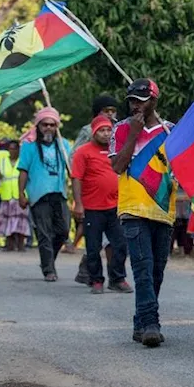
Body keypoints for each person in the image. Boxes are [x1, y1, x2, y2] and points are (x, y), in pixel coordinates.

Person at [110, 78, 177, 348]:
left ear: (154, 101)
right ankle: (151, 323)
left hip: (163, 210)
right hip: (133, 209)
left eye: (141, 100)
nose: (135, 105)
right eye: (132, 100)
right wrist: (134, 134)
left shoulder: (171, 131)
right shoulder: (121, 129)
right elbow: (117, 166)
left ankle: (140, 322)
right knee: (143, 269)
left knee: (157, 270)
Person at [71, 115, 130, 293]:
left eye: (108, 130)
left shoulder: (117, 150)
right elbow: (76, 178)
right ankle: (96, 280)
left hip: (115, 206)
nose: (105, 134)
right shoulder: (83, 152)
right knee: (93, 247)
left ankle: (117, 279)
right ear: (94, 133)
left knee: (120, 244)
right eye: (101, 130)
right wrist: (78, 204)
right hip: (92, 208)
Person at [17, 108, 72, 281]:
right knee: (44, 233)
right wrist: (21, 194)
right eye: (45, 124)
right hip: (38, 195)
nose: (48, 128)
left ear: (57, 126)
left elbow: (71, 169)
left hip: (59, 193)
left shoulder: (64, 145)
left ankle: (48, 261)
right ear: (38, 126)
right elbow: (23, 171)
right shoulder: (29, 146)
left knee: (63, 231)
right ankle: (49, 270)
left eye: (52, 125)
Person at [70, 94, 120, 276]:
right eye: (107, 111)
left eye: (113, 111)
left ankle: (114, 275)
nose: (111, 114)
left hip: (115, 199)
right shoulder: (87, 131)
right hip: (92, 196)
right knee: (94, 241)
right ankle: (92, 273)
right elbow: (75, 157)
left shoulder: (120, 130)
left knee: (114, 241)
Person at [0, 140, 30, 251]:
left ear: (19, 150)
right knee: (6, 220)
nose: (12, 151)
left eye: (15, 148)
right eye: (10, 148)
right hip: (7, 195)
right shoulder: (3, 161)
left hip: (20, 195)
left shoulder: (23, 161)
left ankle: (20, 245)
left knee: (21, 220)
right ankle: (9, 244)